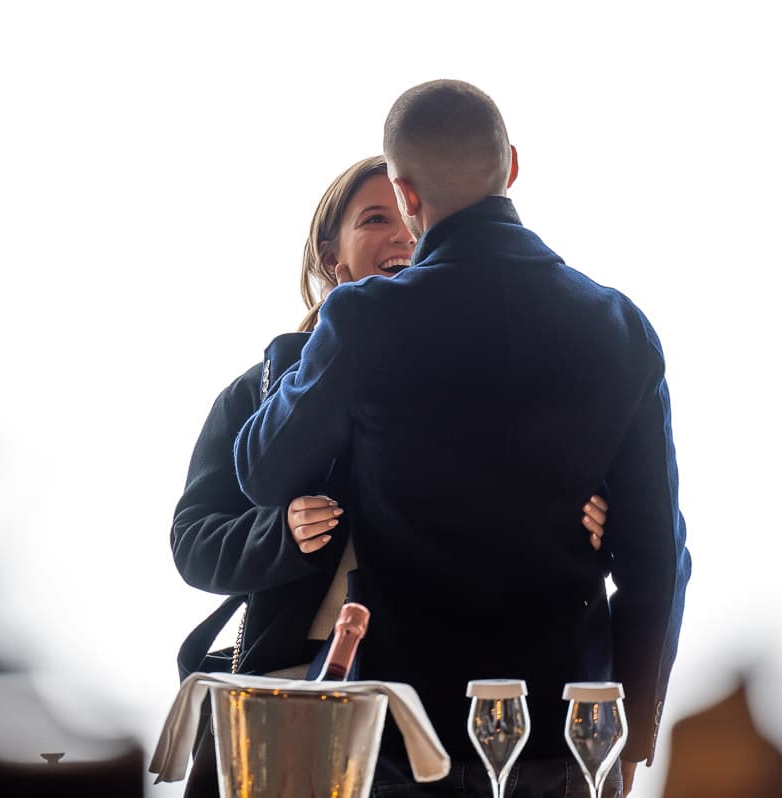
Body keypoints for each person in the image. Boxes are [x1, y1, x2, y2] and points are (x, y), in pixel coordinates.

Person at [234, 80, 691, 796]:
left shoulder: (364, 319)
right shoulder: (619, 326)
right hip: (567, 734)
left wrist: (312, 347)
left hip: (403, 734)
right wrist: (631, 737)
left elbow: (263, 472)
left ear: (406, 195)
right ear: (512, 165)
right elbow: (657, 558)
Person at [170, 154, 611, 797]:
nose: (401, 235)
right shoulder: (260, 392)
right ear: (332, 256)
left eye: (409, 218)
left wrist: (595, 519)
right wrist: (279, 534)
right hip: (293, 693)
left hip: (444, 699)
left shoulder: (486, 378)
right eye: (375, 219)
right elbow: (193, 539)